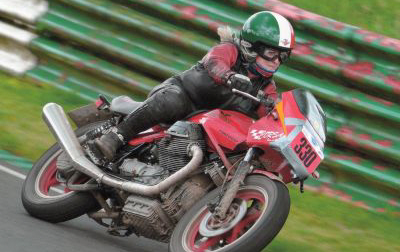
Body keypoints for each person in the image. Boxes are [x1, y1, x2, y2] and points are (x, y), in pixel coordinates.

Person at [91, 11, 295, 161]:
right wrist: (229, 76)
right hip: (182, 97)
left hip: (205, 127)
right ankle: (115, 137)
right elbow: (214, 63)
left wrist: (288, 135)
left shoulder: (266, 87)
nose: (277, 61)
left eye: (283, 56)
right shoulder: (230, 51)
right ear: (252, 46)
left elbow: (272, 113)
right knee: (172, 101)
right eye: (272, 53)